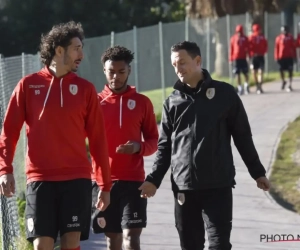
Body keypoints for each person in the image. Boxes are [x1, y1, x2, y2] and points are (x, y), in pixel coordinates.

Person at [139, 41, 271, 250]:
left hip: (218, 185)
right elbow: (165, 147)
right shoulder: (171, 102)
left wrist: (258, 172)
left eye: (182, 62)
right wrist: (153, 179)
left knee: (219, 245)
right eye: (174, 64)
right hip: (184, 187)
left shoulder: (225, 94)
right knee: (190, 246)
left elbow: (242, 137)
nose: (178, 69)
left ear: (198, 61)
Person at [0, 21, 112, 250]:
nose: (81, 54)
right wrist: (5, 169)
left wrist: (105, 184)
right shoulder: (28, 86)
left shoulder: (86, 89)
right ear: (59, 50)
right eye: (76, 48)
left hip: (76, 179)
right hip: (40, 179)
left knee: (71, 243)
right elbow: (9, 131)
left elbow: (99, 140)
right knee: (42, 245)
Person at [91, 46, 159, 250]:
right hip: (103, 182)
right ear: (104, 70)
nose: (116, 77)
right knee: (113, 240)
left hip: (134, 181)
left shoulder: (142, 103)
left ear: (129, 70)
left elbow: (154, 141)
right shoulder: (93, 102)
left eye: (121, 72)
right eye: (111, 71)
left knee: (132, 237)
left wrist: (138, 147)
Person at [274, 25, 296, 92]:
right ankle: (283, 81)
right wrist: (276, 56)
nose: (285, 31)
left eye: (286, 30)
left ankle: (290, 84)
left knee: (290, 70)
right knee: (281, 69)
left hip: (289, 57)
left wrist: (294, 56)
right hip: (282, 57)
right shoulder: (278, 38)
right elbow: (276, 48)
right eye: (284, 30)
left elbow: (293, 47)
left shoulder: (290, 37)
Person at [230, 24, 250, 95]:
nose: (239, 33)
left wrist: (248, 56)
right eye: (238, 31)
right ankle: (239, 87)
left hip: (243, 58)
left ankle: (246, 85)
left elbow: (248, 48)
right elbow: (231, 49)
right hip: (236, 58)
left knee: (245, 73)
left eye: (240, 31)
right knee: (237, 73)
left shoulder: (245, 38)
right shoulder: (233, 38)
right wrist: (231, 59)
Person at [248, 23, 268, 94]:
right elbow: (248, 46)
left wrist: (263, 51)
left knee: (260, 71)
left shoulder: (262, 37)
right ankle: (257, 85)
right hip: (254, 57)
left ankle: (260, 86)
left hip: (260, 56)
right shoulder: (251, 37)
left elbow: (266, 45)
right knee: (254, 72)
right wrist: (250, 54)